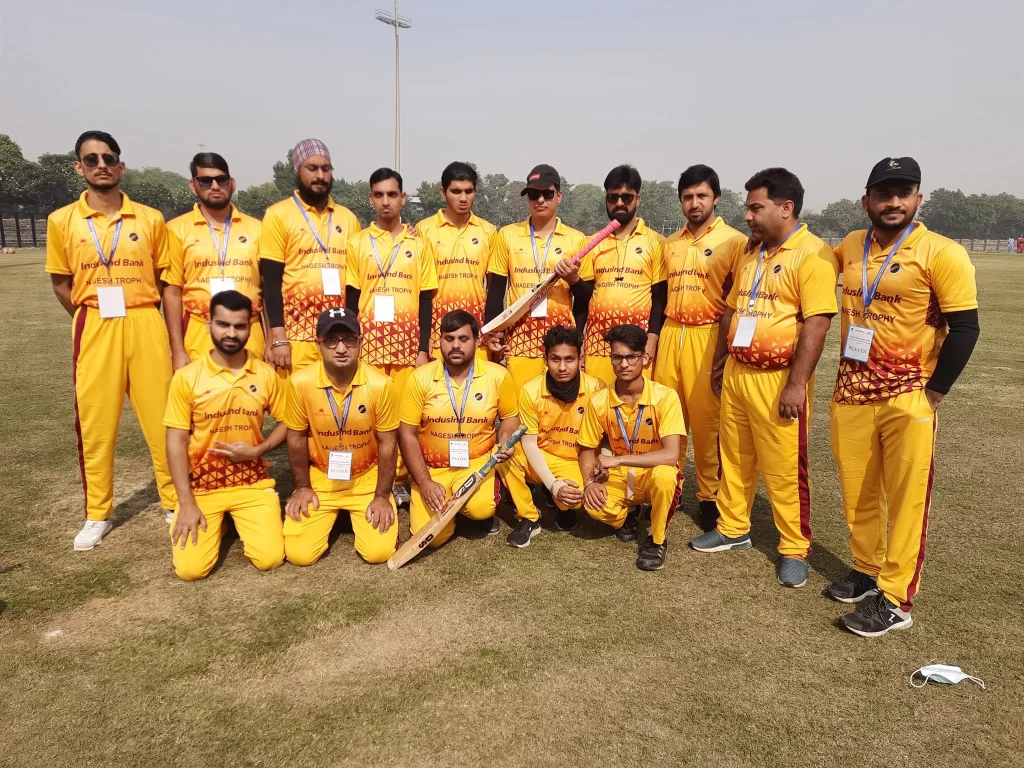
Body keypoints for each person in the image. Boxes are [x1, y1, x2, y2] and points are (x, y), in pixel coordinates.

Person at [828, 157, 980, 636]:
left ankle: (895, 600)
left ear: (918, 199)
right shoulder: (851, 245)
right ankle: (866, 569)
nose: (893, 201)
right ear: (866, 199)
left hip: (907, 396)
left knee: (906, 498)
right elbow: (800, 260)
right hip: (852, 392)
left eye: (903, 192)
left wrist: (933, 394)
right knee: (859, 491)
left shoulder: (942, 252)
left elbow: (966, 328)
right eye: (884, 192)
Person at [689, 168, 839, 590]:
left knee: (784, 468)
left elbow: (816, 325)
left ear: (786, 207)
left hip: (778, 379)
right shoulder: (753, 252)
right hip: (739, 373)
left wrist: (796, 385)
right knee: (733, 455)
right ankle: (733, 526)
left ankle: (794, 547)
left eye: (757, 207)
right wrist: (721, 361)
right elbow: (732, 312)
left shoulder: (812, 255)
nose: (748, 216)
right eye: (748, 208)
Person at [45, 130, 177, 550]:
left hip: (144, 320)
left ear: (120, 166)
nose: (101, 165)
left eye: (108, 157)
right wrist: (91, 315)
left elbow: (165, 280)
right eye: (91, 159)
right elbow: (61, 284)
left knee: (163, 420)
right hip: (95, 323)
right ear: (78, 167)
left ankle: (174, 501)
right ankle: (97, 514)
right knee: (96, 425)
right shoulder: (62, 220)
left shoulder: (150, 218)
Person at [164, 291, 288, 580]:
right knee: (191, 571)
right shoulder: (186, 377)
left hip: (253, 486)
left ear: (250, 327)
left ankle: (233, 518)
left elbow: (290, 423)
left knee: (269, 559)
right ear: (208, 324)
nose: (231, 333)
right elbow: (175, 441)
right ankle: (218, 520)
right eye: (223, 324)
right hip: (203, 489)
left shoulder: (265, 374)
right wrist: (185, 503)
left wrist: (259, 450)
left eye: (240, 326)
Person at [653, 164, 748, 532]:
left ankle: (709, 497)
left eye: (702, 196)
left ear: (716, 198)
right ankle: (666, 487)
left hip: (708, 335)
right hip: (671, 331)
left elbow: (737, 301)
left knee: (708, 424)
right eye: (688, 197)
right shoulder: (670, 243)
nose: (694, 203)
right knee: (666, 418)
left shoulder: (733, 242)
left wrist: (726, 353)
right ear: (680, 200)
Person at [283, 308, 400, 565]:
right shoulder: (299, 382)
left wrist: (381, 496)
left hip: (366, 477)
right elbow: (295, 437)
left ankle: (368, 506)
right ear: (318, 344)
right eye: (331, 340)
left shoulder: (381, 384)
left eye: (348, 339)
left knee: (378, 553)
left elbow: (388, 443)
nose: (340, 348)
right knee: (299, 555)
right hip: (322, 477)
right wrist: (303, 487)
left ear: (360, 342)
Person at [398, 310, 521, 548]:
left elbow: (510, 418)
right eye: (449, 338)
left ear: (477, 342)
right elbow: (407, 434)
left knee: (481, 509)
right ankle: (451, 510)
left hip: (476, 463)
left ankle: (473, 507)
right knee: (431, 539)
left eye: (463, 339)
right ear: (439, 341)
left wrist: (504, 440)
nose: (455, 345)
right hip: (432, 468)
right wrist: (424, 482)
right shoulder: (420, 378)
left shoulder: (497, 375)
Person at [578, 324, 685, 571]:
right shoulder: (600, 401)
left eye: (631, 357)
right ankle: (627, 515)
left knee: (665, 475)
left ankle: (657, 540)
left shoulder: (665, 397)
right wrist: (589, 483)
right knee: (592, 505)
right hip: (620, 478)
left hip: (653, 474)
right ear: (611, 358)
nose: (624, 364)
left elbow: (671, 455)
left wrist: (618, 460)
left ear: (644, 358)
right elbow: (586, 449)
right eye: (617, 357)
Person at [484, 164, 592, 389]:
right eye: (534, 194)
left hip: (561, 343)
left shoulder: (577, 239)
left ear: (559, 196)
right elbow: (496, 291)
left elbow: (585, 299)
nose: (540, 200)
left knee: (559, 410)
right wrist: (492, 332)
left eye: (547, 194)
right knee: (523, 409)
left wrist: (573, 279)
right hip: (520, 340)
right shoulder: (507, 235)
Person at [259, 139, 361, 375]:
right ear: (298, 171)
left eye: (326, 169)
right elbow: (271, 283)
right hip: (296, 338)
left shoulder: (348, 219)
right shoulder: (278, 215)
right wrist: (278, 337)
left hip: (338, 339)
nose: (320, 175)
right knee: (294, 410)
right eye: (312, 168)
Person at [498, 326, 605, 548]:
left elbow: (604, 436)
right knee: (501, 455)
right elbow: (529, 443)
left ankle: (556, 500)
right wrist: (554, 484)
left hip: (573, 460)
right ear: (545, 358)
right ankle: (529, 516)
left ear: (580, 358)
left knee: (573, 501)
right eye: (556, 359)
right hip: (538, 454)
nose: (563, 367)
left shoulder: (596, 388)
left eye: (569, 359)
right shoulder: (530, 389)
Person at [165, 152, 264, 369]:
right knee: (203, 399)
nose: (215, 186)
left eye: (221, 179)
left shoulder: (258, 229)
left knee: (251, 399)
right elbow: (172, 292)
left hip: (250, 329)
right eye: (205, 181)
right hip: (199, 330)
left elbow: (269, 289)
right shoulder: (175, 229)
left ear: (232, 183)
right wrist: (178, 350)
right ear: (193, 185)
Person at [344, 167, 437, 394]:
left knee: (406, 420)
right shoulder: (356, 243)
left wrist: (422, 350)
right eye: (379, 195)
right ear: (371, 198)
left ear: (403, 198)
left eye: (392, 194)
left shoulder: (419, 245)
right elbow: (351, 302)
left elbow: (425, 301)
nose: (386, 201)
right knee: (369, 420)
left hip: (408, 348)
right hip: (368, 347)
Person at [581, 164, 667, 387]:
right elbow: (583, 299)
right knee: (598, 405)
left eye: (626, 197)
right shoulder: (592, 242)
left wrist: (652, 339)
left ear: (638, 199)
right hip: (598, 343)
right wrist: (578, 341)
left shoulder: (656, 242)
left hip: (637, 346)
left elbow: (659, 297)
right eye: (613, 197)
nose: (619, 203)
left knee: (635, 407)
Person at [415, 161, 496, 360]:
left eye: (469, 191)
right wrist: (423, 345)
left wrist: (493, 333)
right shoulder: (423, 230)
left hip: (476, 335)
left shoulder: (488, 231)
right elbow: (420, 291)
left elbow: (494, 290)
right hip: (438, 336)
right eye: (456, 191)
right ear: (443, 192)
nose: (463, 198)